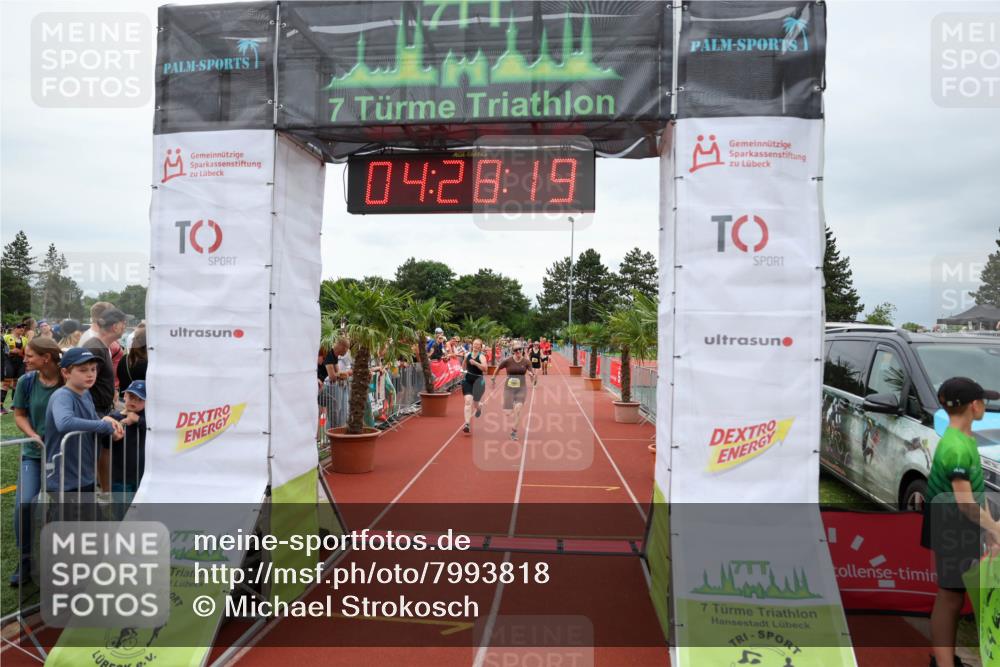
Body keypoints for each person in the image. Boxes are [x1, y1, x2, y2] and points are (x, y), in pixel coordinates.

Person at [922, 377, 1000, 667]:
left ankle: (946, 660)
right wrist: (993, 529)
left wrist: (989, 528)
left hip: (958, 525)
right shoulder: (956, 446)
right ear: (974, 406)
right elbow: (965, 502)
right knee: (950, 596)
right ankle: (943, 663)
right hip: (952, 526)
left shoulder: (963, 438)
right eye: (983, 401)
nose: (985, 406)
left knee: (952, 595)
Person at [9, 338, 63, 585]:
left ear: (46, 358)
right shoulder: (26, 381)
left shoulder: (67, 379)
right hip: (32, 453)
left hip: (63, 456)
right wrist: (31, 434)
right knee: (24, 505)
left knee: (61, 509)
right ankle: (26, 559)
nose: (24, 359)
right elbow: (19, 415)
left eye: (29, 355)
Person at [43, 348, 123, 500]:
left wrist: (105, 420)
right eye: (82, 370)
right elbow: (64, 422)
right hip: (65, 478)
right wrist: (104, 426)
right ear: (65, 373)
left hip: (84, 472)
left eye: (93, 369)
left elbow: (91, 419)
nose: (90, 374)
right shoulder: (62, 396)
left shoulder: (85, 393)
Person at [101, 380, 147, 508]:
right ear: (124, 395)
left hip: (142, 477)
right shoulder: (114, 417)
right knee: (121, 513)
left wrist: (137, 419)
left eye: (140, 399)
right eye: (131, 397)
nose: (134, 402)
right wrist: (108, 430)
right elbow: (104, 444)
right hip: (120, 478)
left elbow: (156, 427)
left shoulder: (147, 419)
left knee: (140, 514)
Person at [82, 307, 126, 416]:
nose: (125, 327)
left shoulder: (99, 346)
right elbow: (83, 385)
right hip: (96, 413)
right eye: (123, 323)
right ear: (115, 327)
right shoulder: (96, 349)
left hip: (100, 411)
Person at [490, 343, 537, 441]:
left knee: (518, 409)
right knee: (508, 412)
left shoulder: (527, 362)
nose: (518, 351)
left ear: (522, 350)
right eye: (516, 350)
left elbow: (532, 376)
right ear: (513, 352)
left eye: (520, 349)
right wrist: (493, 378)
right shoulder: (508, 361)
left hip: (521, 388)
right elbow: (498, 368)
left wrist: (532, 376)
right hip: (509, 388)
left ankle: (514, 431)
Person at [461, 339, 488, 434]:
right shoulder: (467, 355)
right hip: (468, 381)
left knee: (476, 403)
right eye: (474, 344)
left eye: (478, 345)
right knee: (468, 401)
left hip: (478, 382)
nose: (476, 346)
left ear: (480, 347)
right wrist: (462, 371)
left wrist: (476, 363)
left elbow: (485, 369)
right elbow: (464, 364)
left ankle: (479, 408)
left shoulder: (482, 357)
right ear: (472, 345)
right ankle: (467, 424)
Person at [2, 322, 28, 412]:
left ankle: (14, 405)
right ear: (14, 328)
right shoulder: (6, 337)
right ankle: (0, 406)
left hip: (20, 363)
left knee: (18, 384)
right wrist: (10, 351)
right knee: (6, 383)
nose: (22, 329)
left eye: (23, 327)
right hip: (8, 361)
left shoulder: (25, 339)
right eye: (19, 327)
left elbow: (25, 351)